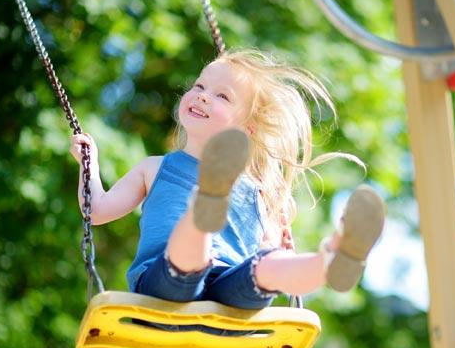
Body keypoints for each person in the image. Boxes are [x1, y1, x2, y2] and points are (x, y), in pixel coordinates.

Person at [69, 49, 385, 316]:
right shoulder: (155, 168)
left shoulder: (256, 190)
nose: (202, 96)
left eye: (221, 95)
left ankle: (331, 261)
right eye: (199, 86)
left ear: (246, 129)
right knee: (189, 260)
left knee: (270, 266)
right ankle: (203, 211)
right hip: (163, 286)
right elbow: (96, 210)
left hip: (231, 294)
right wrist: (89, 166)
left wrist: (281, 241)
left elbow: (268, 251)